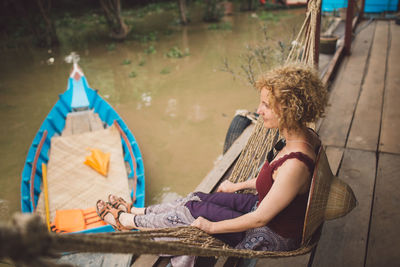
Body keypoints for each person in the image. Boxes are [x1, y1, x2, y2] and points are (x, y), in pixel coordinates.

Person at [96, 63, 327, 253]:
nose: (258, 110)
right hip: (264, 205)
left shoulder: (295, 165)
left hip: (270, 234)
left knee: (190, 212)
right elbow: (275, 185)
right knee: (197, 198)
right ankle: (139, 212)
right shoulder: (302, 135)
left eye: (266, 105)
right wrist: (238, 185)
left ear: (289, 109)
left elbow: (260, 218)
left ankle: (127, 222)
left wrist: (212, 227)